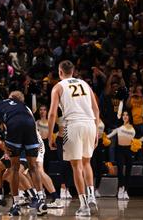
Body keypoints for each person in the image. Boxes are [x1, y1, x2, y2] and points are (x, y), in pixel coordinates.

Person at [48, 60, 101, 217]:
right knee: (86, 162)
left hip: (73, 124)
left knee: (76, 165)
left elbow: (52, 114)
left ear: (60, 72)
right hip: (90, 124)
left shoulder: (58, 87)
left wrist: (51, 134)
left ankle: (84, 205)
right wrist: (96, 131)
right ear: (73, 71)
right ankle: (91, 195)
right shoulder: (85, 84)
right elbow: (96, 109)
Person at [0, 82, 47, 216]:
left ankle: (16, 204)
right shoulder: (16, 101)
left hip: (15, 126)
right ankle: (41, 199)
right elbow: (30, 113)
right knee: (33, 167)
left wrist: (2, 138)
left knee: (13, 168)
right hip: (30, 125)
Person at [106, 110, 136, 200]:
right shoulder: (119, 128)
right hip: (120, 151)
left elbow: (141, 137)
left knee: (128, 171)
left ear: (129, 116)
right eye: (123, 115)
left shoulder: (134, 129)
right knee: (120, 170)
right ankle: (120, 189)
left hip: (129, 151)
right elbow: (109, 136)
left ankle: (126, 191)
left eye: (127, 115)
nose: (125, 116)